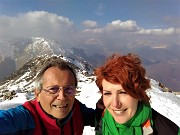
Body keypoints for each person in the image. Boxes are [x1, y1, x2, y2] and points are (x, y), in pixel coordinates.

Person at [0, 56, 95, 135]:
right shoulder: (25, 119)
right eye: (53, 89)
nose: (62, 97)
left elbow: (104, 118)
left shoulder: (78, 110)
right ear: (37, 94)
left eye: (68, 89)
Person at [94, 53, 180, 135]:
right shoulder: (103, 117)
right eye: (107, 93)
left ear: (138, 93)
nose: (115, 104)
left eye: (123, 92)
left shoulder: (167, 131)